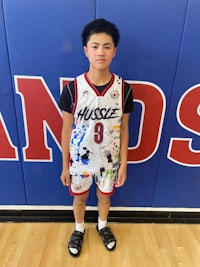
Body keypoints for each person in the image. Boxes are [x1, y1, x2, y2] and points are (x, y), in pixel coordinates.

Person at [59, 18, 133, 257]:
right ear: (86, 50)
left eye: (107, 46)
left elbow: (124, 129)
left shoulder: (124, 89)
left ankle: (102, 225)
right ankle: (79, 229)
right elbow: (66, 130)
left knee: (104, 197)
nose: (101, 51)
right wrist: (64, 166)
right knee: (79, 200)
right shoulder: (72, 88)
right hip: (80, 161)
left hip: (109, 161)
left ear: (115, 51)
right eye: (95, 46)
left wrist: (124, 163)